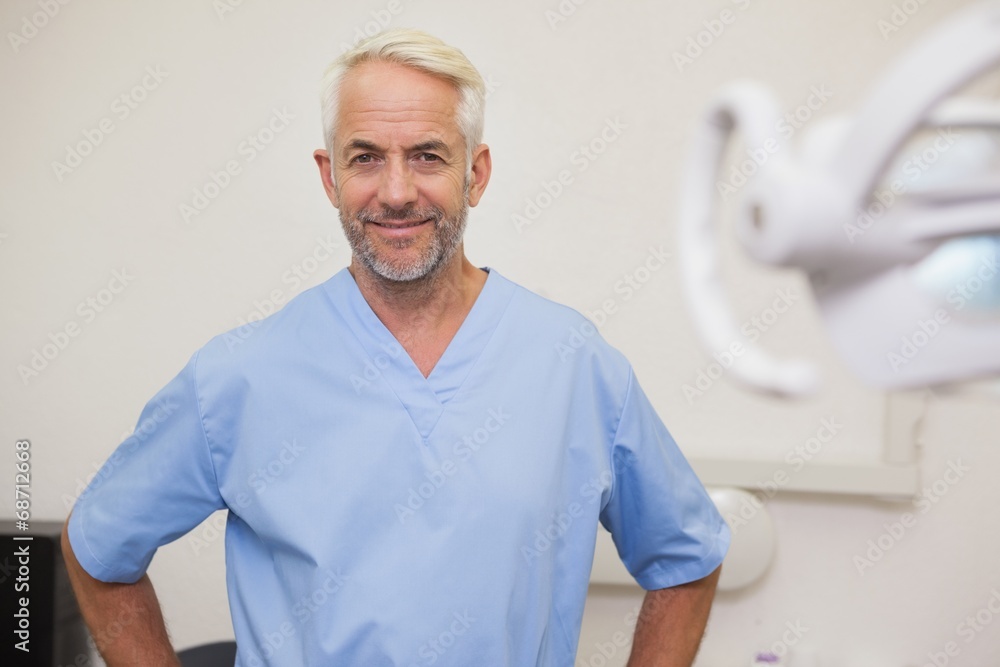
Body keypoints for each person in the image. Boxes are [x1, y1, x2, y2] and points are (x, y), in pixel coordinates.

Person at [62, 28, 730, 667]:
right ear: (330, 178)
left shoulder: (572, 364)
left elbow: (687, 556)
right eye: (366, 157)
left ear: (477, 172)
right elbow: (98, 548)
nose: (397, 191)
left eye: (428, 155)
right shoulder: (241, 376)